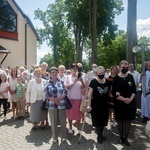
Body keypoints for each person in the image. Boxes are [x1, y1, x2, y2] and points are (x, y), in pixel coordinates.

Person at [112, 60, 136, 146]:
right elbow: (115, 93)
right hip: (120, 103)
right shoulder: (116, 78)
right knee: (121, 121)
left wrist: (130, 99)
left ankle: (126, 138)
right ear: (120, 68)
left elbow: (134, 90)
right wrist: (124, 99)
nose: (125, 69)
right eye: (123, 67)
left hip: (130, 103)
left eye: (126, 67)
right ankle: (121, 137)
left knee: (128, 121)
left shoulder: (130, 77)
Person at [87, 66, 110, 144]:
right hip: (96, 104)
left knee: (103, 121)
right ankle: (99, 136)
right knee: (97, 121)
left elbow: (109, 92)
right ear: (96, 74)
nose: (101, 74)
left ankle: (101, 134)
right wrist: (89, 105)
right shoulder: (93, 81)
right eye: (99, 73)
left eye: (102, 73)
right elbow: (89, 94)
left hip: (105, 104)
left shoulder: (107, 81)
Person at [44, 67, 67, 144]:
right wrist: (55, 100)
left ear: (58, 73)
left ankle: (64, 137)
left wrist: (59, 99)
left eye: (56, 72)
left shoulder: (62, 82)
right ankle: (54, 138)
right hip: (51, 105)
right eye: (53, 72)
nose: (54, 73)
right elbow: (46, 94)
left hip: (62, 104)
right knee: (53, 122)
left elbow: (65, 91)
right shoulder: (47, 82)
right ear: (50, 74)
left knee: (63, 121)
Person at [64, 63, 85, 134]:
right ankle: (70, 128)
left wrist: (81, 81)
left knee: (78, 114)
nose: (74, 69)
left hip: (78, 98)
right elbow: (66, 87)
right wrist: (74, 82)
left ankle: (78, 129)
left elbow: (84, 87)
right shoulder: (67, 77)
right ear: (71, 69)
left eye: (76, 68)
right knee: (70, 115)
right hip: (70, 98)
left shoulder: (80, 76)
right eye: (73, 68)